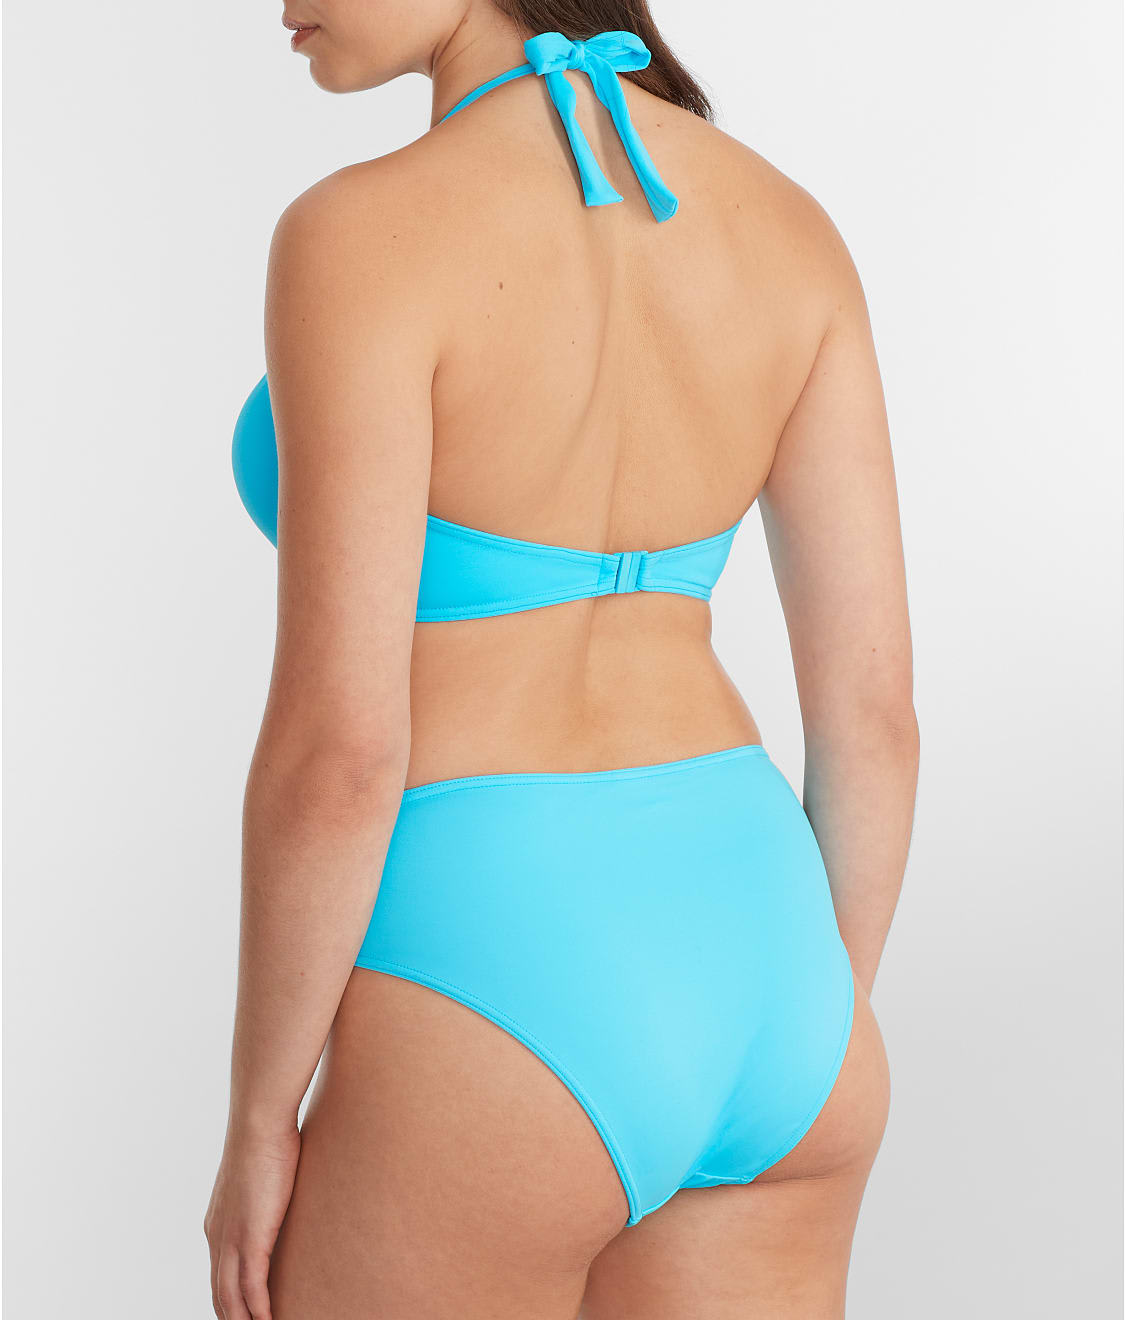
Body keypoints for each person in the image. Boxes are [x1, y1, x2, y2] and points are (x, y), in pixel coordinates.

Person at [205, 3, 920, 1316]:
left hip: (499, 965)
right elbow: (874, 720)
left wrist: (259, 1120)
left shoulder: (361, 233)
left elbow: (341, 755)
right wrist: (817, 1016)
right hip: (772, 957)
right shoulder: (789, 225)